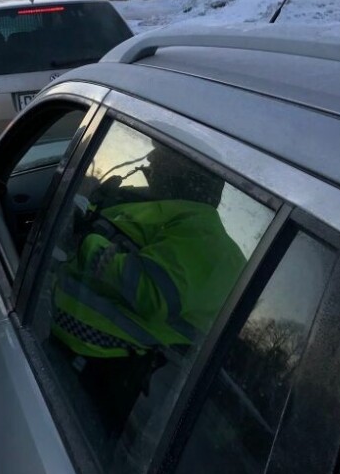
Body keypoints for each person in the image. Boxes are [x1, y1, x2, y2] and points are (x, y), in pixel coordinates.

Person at [51, 182, 245, 435]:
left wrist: (89, 241)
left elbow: (150, 293)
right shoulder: (163, 210)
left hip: (103, 372)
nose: (152, 157)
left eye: (161, 153)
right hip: (70, 352)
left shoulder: (205, 234)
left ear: (194, 175)